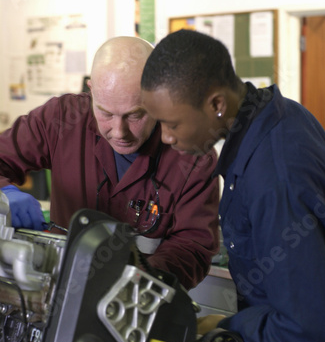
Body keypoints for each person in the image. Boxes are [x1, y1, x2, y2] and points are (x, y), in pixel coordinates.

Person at [141, 29, 325, 342]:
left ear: (215, 104)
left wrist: (223, 329)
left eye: (172, 124)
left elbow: (310, 323)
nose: (167, 138)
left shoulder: (274, 175)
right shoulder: (283, 118)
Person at [0, 36, 220, 291]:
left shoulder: (193, 153)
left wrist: (134, 280)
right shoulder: (61, 119)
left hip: (137, 305)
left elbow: (192, 247)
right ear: (92, 91)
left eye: (135, 115)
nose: (119, 131)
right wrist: (4, 193)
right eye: (105, 113)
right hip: (55, 292)